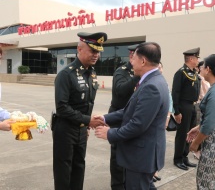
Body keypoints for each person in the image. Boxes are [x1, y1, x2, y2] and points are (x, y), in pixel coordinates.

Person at [95, 42, 169, 190]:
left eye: (133, 58)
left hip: (141, 157)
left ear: (143, 61)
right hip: (144, 154)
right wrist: (105, 118)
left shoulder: (151, 86)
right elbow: (130, 110)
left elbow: (138, 124)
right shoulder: (154, 80)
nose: (131, 61)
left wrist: (110, 133)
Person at [52, 32, 107, 190]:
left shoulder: (92, 73)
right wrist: (87, 120)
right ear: (79, 49)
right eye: (92, 50)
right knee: (64, 171)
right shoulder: (66, 74)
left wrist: (86, 124)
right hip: (65, 130)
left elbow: (87, 103)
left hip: (81, 130)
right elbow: (62, 108)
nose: (96, 55)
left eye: (97, 51)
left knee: (79, 168)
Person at [108, 44, 140, 190]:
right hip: (118, 117)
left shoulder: (143, 73)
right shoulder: (122, 71)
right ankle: (117, 185)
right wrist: (136, 77)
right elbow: (120, 91)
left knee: (130, 152)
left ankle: (127, 182)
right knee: (117, 154)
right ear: (131, 56)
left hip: (133, 117)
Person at [187, 54, 215, 190]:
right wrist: (198, 127)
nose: (200, 69)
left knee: (205, 182)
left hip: (212, 145)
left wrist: (195, 143)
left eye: (202, 66)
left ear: (208, 69)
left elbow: (210, 124)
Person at [172, 47, 201, 170]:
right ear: (190, 58)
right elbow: (175, 92)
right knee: (182, 133)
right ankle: (178, 158)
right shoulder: (181, 72)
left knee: (190, 133)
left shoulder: (193, 72)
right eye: (196, 58)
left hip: (192, 106)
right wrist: (177, 111)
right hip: (183, 106)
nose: (198, 60)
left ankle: (184, 157)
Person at [193, 61, 210, 160]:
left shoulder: (208, 81)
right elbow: (202, 94)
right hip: (200, 105)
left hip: (206, 105)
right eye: (203, 67)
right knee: (199, 125)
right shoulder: (199, 79)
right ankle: (197, 150)